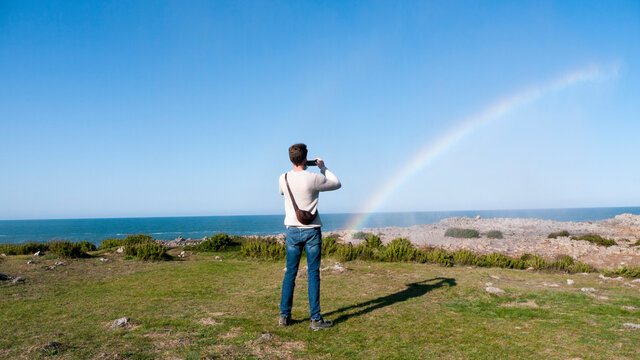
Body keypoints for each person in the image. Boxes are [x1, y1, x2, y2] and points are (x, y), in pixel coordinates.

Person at [278, 143, 341, 330]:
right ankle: (315, 319)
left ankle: (284, 316)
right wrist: (323, 167)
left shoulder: (283, 178)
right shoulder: (313, 178)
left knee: (290, 273)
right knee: (313, 273)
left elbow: (282, 192)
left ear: (290, 158)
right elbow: (337, 183)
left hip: (291, 230)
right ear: (306, 158)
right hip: (312, 230)